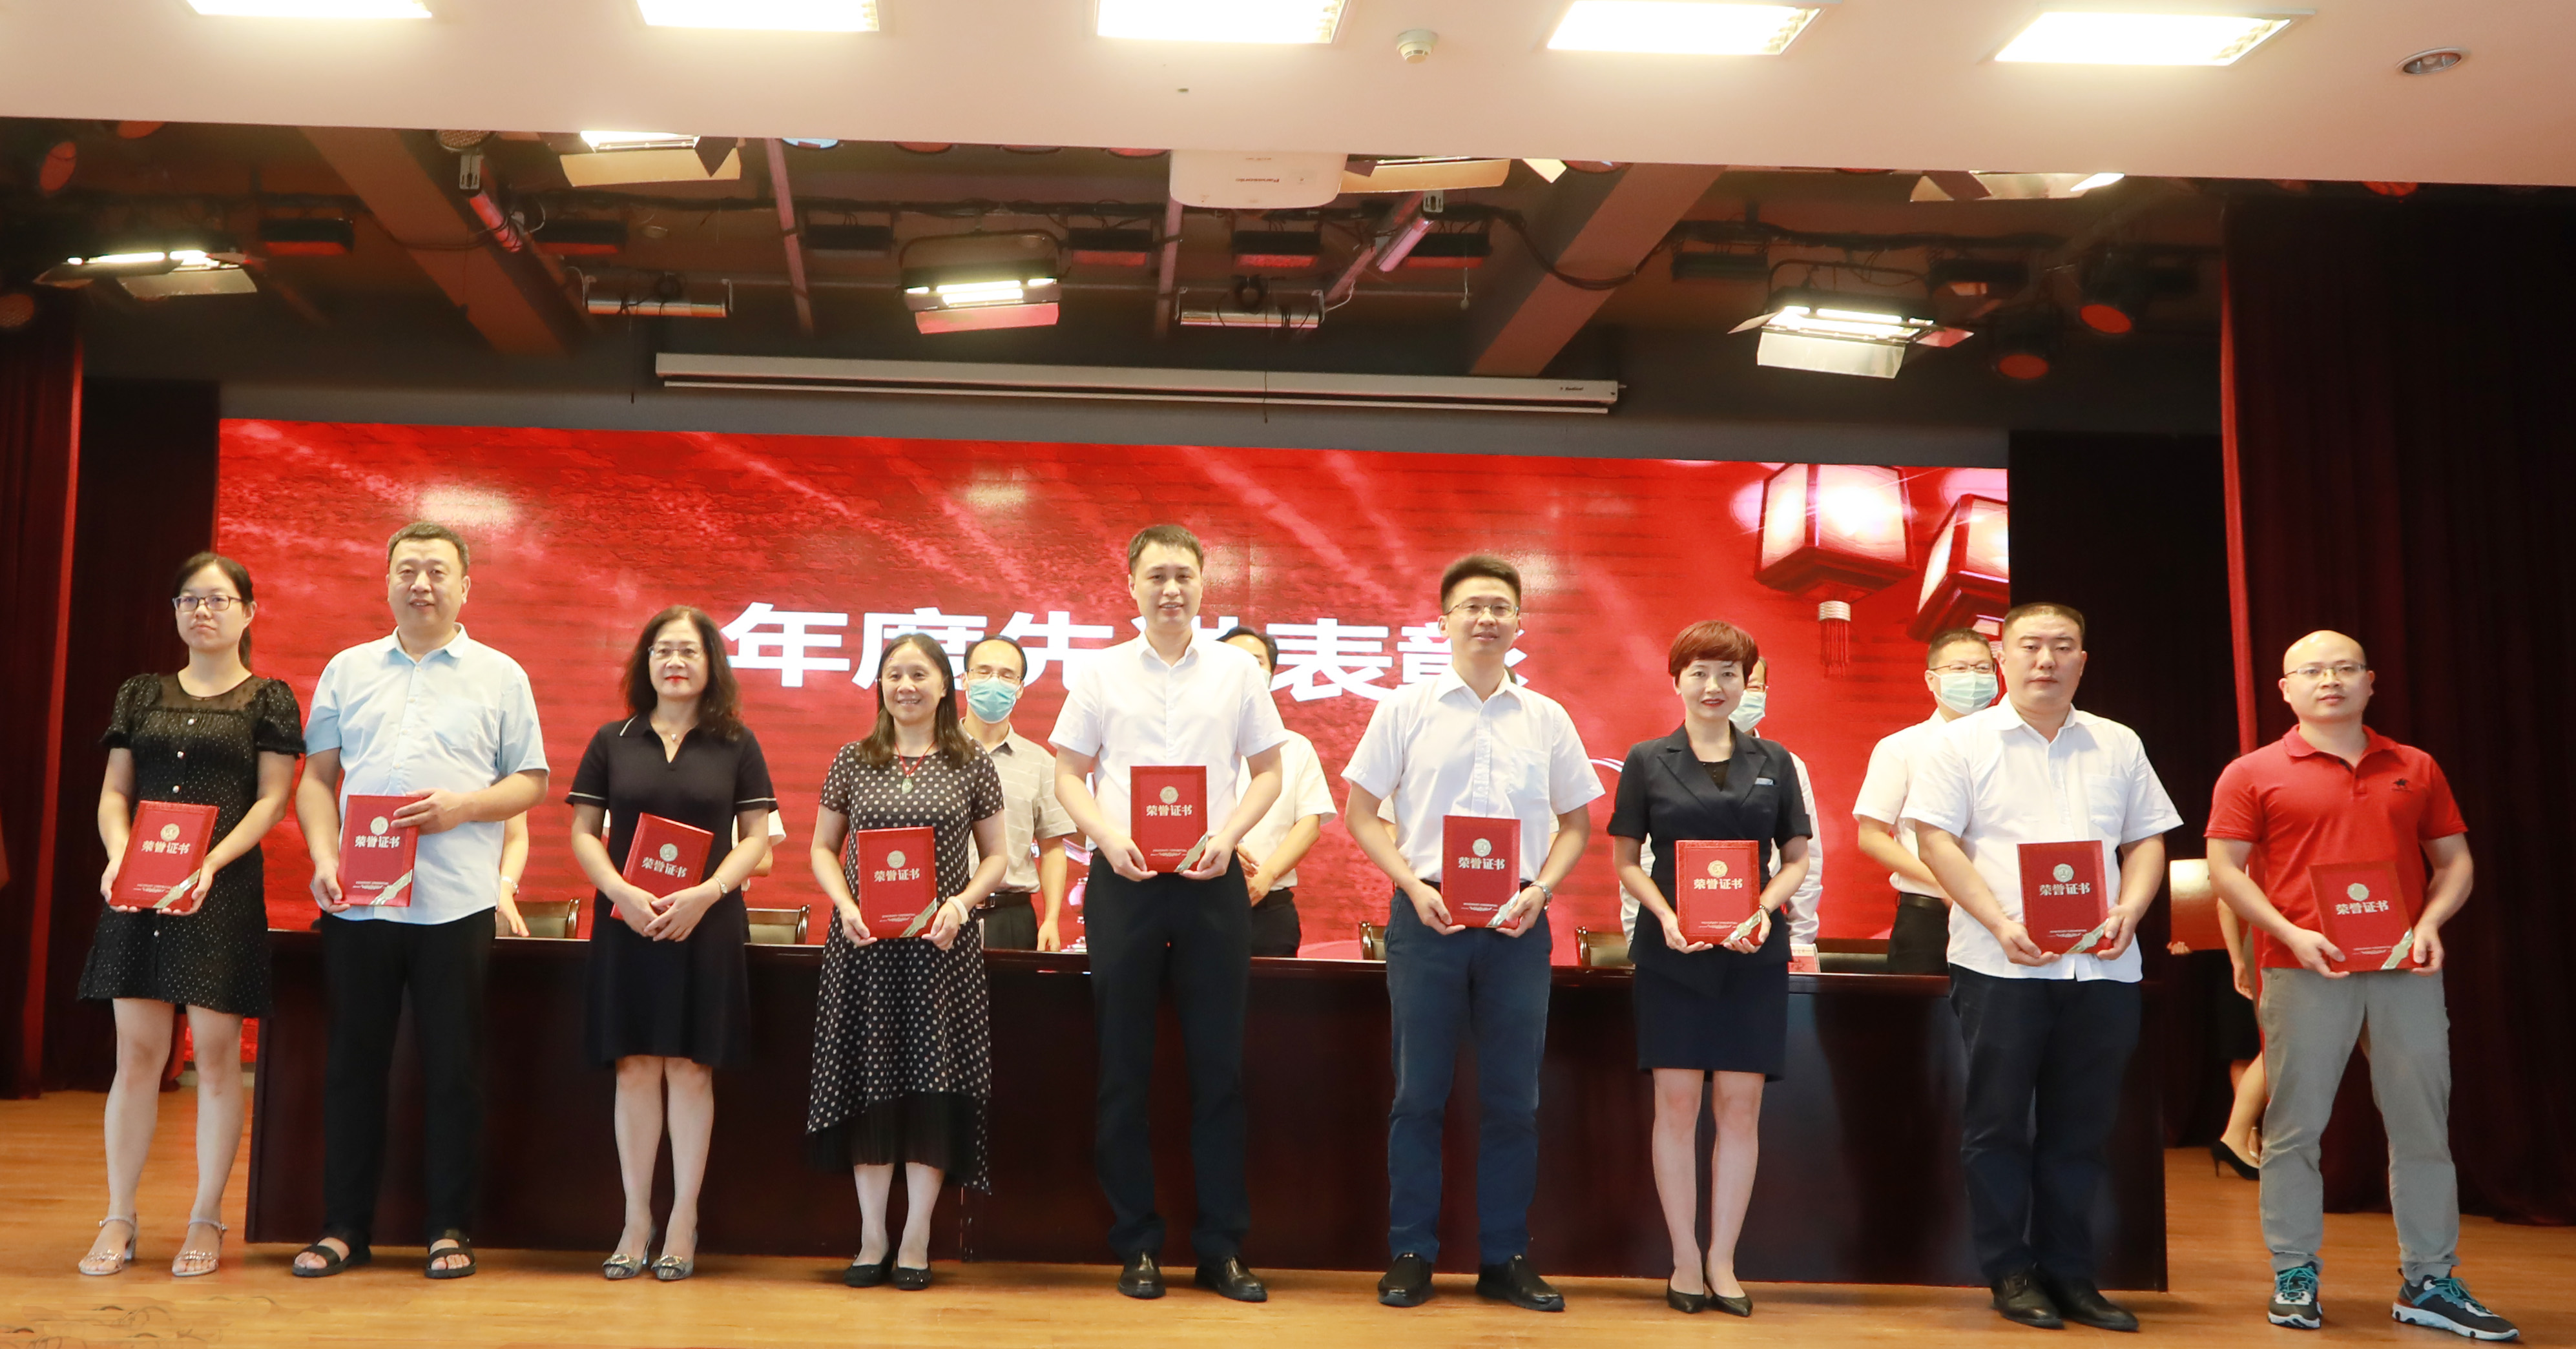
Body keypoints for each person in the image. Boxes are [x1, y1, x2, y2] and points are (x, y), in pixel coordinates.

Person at [2205, 632, 2514, 1341]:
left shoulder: (2415, 765)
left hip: (2405, 967)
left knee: (2422, 1126)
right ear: (2285, 688)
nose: (2330, 680)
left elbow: (2455, 861)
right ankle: (2294, 1272)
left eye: (2345, 668)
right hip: (2303, 967)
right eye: (2312, 670)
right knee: (2294, 1128)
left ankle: (2429, 1279)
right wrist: (2287, 932)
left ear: (2370, 681)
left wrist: (2430, 922)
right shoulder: (2251, 772)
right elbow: (2224, 869)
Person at [1906, 602, 2179, 1332]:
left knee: (2080, 1129)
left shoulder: (2117, 742)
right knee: (1997, 1125)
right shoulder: (1961, 743)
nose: (2046, 659)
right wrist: (1999, 922)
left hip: (2102, 969)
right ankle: (2010, 1270)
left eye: (2063, 646)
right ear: (2004, 656)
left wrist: (2131, 910)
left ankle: (2071, 1273)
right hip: (2001, 966)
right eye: (2030, 645)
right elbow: (1935, 843)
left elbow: (2146, 840)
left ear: (2082, 660)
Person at [291, 522, 548, 1280]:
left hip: (454, 902)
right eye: (407, 569)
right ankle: (343, 1228)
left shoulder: (501, 674)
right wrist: (323, 854)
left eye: (437, 570)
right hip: (359, 901)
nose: (421, 583)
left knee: (453, 1070)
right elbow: (317, 780)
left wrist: (464, 808)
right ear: (387, 582)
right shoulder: (347, 669)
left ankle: (449, 1228)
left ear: (466, 586)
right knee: (353, 1066)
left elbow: (530, 782)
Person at [1343, 554, 1600, 1313]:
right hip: (1427, 919)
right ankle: (1411, 1251)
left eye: (1500, 607)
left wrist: (1542, 889)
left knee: (1514, 1099)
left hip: (1517, 924)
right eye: (1471, 606)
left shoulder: (1547, 717)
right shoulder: (1405, 708)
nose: (1486, 618)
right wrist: (1411, 884)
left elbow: (1577, 823)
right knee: (1418, 1094)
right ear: (1443, 621)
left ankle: (1505, 1256)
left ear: (1520, 623)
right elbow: (1360, 813)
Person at [1050, 524, 1285, 1302]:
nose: (1171, 589)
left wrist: (1229, 836)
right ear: (1131, 584)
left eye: (1183, 574)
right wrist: (1106, 837)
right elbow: (1069, 774)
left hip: (1210, 881)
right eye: (1156, 575)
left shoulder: (1236, 672)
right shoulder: (1101, 671)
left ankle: (1221, 1248)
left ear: (1203, 582)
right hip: (1124, 881)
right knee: (1123, 1069)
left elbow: (1267, 771)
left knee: (1219, 1071)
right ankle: (1137, 1244)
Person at [76, 553, 303, 1277]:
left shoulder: (268, 698)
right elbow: (116, 792)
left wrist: (211, 862)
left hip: (220, 891)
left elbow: (272, 798)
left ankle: (206, 1215)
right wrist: (119, 856)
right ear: (175, 611)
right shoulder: (140, 693)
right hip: (139, 891)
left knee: (214, 1059)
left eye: (217, 599)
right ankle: (119, 1214)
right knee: (137, 1057)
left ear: (248, 611)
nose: (202, 611)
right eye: (189, 600)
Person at [567, 606, 777, 1282]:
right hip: (627, 920)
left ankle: (683, 1219)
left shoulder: (736, 743)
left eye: (688, 650)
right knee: (633, 1065)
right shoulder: (613, 739)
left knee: (690, 1066)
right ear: (646, 662)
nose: (675, 662)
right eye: (663, 650)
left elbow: (755, 840)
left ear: (711, 663)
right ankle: (636, 1220)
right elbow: (583, 833)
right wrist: (619, 892)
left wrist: (707, 894)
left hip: (705, 922)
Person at [1608, 620, 1811, 1316]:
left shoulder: (1775, 760)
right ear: (1677, 681)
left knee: (1740, 1108)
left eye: (1728, 673)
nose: (1713, 686)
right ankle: (1684, 1260)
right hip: (1674, 954)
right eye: (1699, 672)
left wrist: (1763, 909)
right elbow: (1627, 860)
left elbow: (1796, 856)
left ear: (1746, 682)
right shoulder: (1646, 759)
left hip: (1753, 954)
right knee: (1675, 1106)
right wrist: (1666, 915)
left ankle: (1724, 1258)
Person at [807, 632, 1009, 1292]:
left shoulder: (970, 761)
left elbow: (998, 857)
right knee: (869, 1085)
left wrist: (961, 905)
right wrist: (844, 904)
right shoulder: (853, 758)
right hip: (864, 949)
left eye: (920, 674)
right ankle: (872, 1237)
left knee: (931, 1088)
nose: (906, 686)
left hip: (940, 953)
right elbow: (822, 848)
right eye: (894, 674)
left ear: (945, 686)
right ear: (880, 686)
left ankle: (917, 1236)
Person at [1855, 628, 1999, 974]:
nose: (1973, 677)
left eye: (1983, 669)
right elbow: (1871, 836)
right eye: (1960, 669)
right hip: (1929, 916)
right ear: (1931, 680)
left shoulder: (2016, 747)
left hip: (2007, 912)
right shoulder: (1901, 747)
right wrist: (1949, 883)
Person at [1219, 625, 1336, 958]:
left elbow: (1309, 824)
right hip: (1200, 901)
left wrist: (1266, 876)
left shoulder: (1295, 746)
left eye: (1256, 661)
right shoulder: (1190, 744)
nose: (1246, 668)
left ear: (1271, 675)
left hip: (1271, 907)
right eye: (1235, 659)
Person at [958, 635, 1077, 951]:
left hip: (1011, 916)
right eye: (983, 672)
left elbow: (1052, 848)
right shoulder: (933, 753)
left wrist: (1052, 919)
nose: (994, 682)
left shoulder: (1040, 762)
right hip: (942, 912)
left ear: (1021, 688)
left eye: (1007, 675)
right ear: (964, 679)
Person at [1732, 658, 1825, 968]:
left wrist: (1800, 940)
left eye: (1753, 686)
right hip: (1681, 933)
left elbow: (1805, 858)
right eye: (1732, 679)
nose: (1741, 693)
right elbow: (1646, 859)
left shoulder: (1786, 764)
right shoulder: (1661, 760)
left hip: (1765, 927)